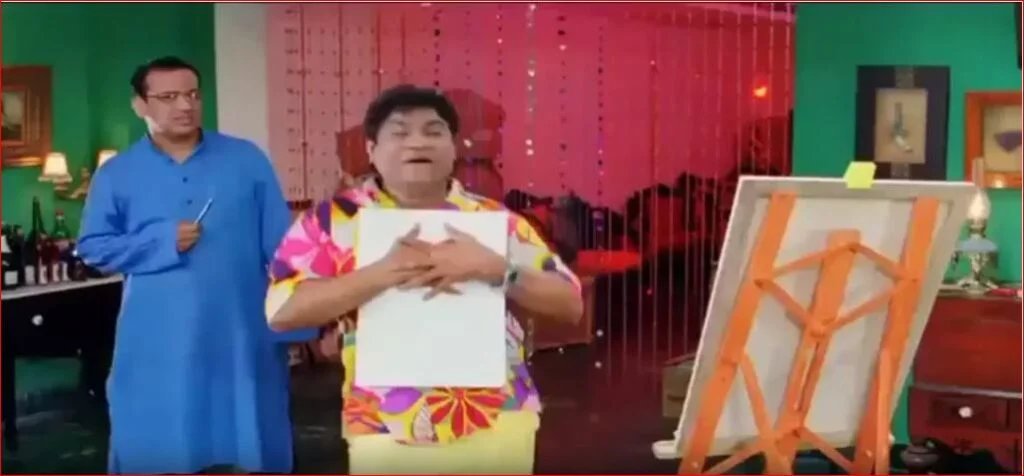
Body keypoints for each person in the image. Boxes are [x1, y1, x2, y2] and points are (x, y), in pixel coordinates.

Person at [265, 84, 584, 474]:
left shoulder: (496, 220)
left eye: (434, 132)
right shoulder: (331, 222)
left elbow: (570, 304)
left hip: (498, 416)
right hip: (385, 423)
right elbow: (282, 311)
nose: (417, 142)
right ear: (371, 150)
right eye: (400, 132)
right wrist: (383, 273)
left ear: (453, 148)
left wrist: (499, 270)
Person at [77, 56, 316, 474]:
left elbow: (284, 250)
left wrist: (297, 325)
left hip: (241, 330)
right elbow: (93, 248)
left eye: (192, 94)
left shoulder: (246, 160)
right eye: (168, 97)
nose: (185, 105)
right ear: (140, 105)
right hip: (156, 337)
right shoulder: (116, 174)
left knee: (250, 436)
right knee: (159, 440)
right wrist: (160, 241)